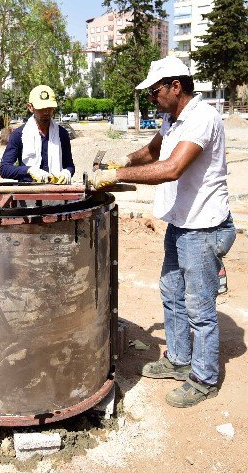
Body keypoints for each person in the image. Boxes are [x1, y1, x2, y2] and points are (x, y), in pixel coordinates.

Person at [92, 57, 235, 408]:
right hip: (182, 223)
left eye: (155, 91)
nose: (153, 97)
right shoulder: (173, 119)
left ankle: (203, 378)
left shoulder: (202, 118)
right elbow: (153, 151)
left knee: (200, 308)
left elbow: (171, 168)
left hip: (203, 227)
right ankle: (179, 360)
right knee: (172, 293)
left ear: (176, 86)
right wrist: (120, 163)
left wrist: (117, 177)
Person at [0, 85, 75, 183]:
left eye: (49, 108)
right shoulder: (19, 134)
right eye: (41, 108)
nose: (46, 112)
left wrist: (67, 172)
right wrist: (29, 170)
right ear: (30, 107)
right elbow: (4, 169)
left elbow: (69, 165)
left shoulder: (62, 134)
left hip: (57, 192)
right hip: (28, 194)